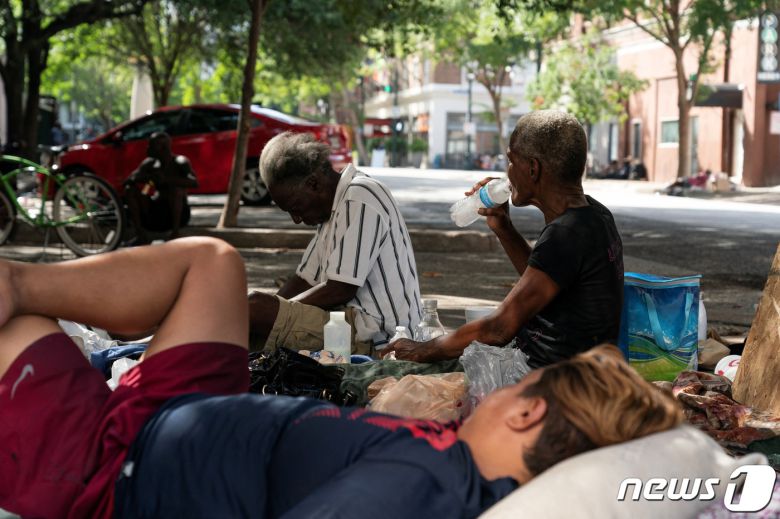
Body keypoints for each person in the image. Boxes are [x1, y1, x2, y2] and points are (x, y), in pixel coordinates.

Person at [0, 239, 682, 518]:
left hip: (112, 467)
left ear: (526, 414)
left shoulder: (421, 483)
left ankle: (15, 292)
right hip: (192, 413)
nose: (495, 393)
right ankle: (18, 279)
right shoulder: (457, 469)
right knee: (213, 264)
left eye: (515, 390)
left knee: (19, 329)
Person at [384, 110, 624, 367]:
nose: (507, 172)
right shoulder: (595, 214)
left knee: (378, 377)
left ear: (533, 168)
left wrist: (421, 350)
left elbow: (498, 329)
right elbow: (547, 277)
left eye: (511, 161)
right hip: (569, 370)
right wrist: (504, 227)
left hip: (550, 379)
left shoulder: (566, 234)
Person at [248, 132, 421, 354]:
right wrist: (272, 308)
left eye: (296, 208)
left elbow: (340, 289)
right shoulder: (331, 210)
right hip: (348, 323)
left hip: (378, 337)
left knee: (255, 309)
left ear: (313, 184)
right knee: (252, 311)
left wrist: (275, 312)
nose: (296, 219)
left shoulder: (359, 196)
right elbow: (304, 280)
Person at [123, 132, 198, 244]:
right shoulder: (150, 163)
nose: (148, 148)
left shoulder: (179, 161)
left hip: (176, 214)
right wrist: (149, 177)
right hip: (154, 213)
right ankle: (140, 234)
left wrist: (167, 180)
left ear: (163, 147)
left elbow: (194, 182)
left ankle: (175, 233)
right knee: (130, 189)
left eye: (152, 145)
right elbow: (129, 179)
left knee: (176, 190)